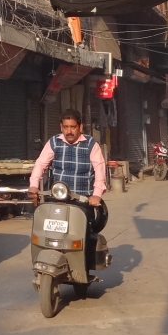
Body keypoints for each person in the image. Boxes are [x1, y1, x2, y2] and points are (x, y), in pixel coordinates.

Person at [28, 109, 107, 261]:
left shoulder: (91, 144)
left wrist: (96, 195)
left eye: (73, 127)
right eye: (66, 127)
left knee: (82, 237)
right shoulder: (54, 142)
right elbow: (41, 164)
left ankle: (83, 265)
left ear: (80, 127)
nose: (69, 131)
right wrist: (33, 185)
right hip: (57, 198)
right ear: (61, 127)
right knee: (47, 232)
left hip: (82, 200)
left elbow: (99, 169)